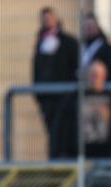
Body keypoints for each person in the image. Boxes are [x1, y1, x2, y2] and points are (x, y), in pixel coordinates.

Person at [50, 60, 111, 160]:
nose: (96, 79)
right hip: (77, 156)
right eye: (93, 75)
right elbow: (61, 126)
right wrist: (61, 151)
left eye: (99, 75)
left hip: (105, 156)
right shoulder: (73, 98)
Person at [32, 7, 79, 146]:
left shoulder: (69, 42)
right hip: (47, 98)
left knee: (64, 132)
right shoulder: (41, 42)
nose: (47, 21)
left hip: (65, 96)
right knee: (52, 133)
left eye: (49, 18)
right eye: (44, 19)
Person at [81, 12, 111, 82]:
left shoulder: (107, 49)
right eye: (86, 27)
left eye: (91, 26)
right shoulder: (79, 48)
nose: (89, 29)